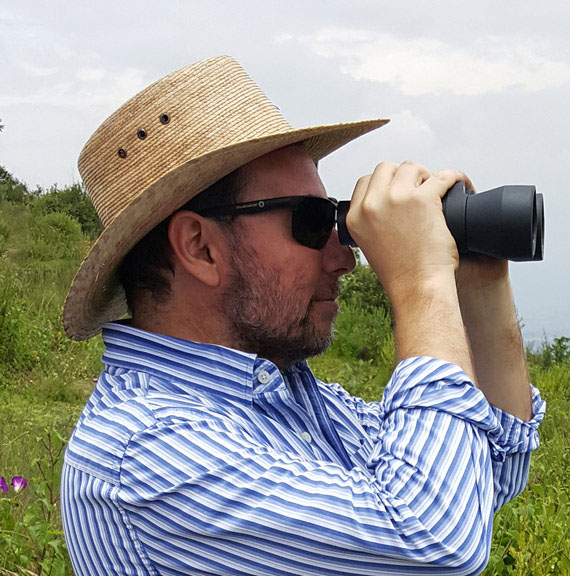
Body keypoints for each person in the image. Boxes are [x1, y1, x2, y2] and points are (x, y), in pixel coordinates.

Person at [59, 55, 544, 576]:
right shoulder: (144, 453)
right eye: (312, 222)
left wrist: (479, 282)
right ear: (200, 248)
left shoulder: (289, 398)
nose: (345, 256)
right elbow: (433, 541)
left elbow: (487, 469)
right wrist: (421, 279)